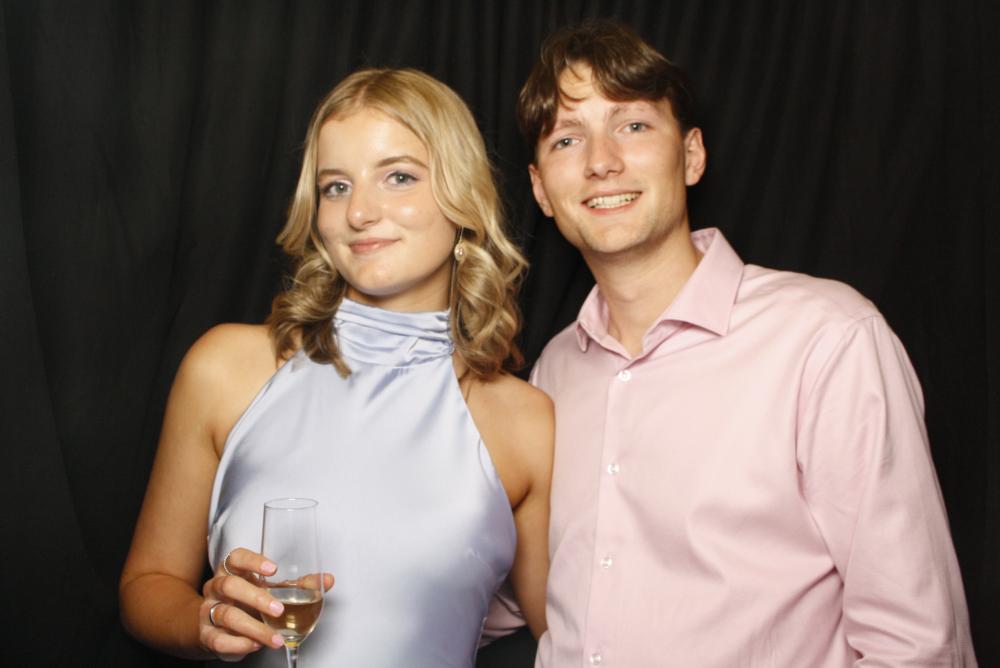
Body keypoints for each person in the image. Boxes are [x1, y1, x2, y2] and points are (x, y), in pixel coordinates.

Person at [514, 18, 976, 667]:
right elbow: (500, 587)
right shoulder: (552, 375)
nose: (601, 161)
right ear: (541, 189)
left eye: (633, 125)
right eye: (567, 138)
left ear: (692, 156)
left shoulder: (826, 340)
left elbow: (918, 645)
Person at [119, 67, 552, 667]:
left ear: (463, 199)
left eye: (398, 177)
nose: (360, 213)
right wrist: (205, 619)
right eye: (336, 187)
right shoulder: (226, 368)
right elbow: (147, 585)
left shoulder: (527, 423)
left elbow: (572, 640)